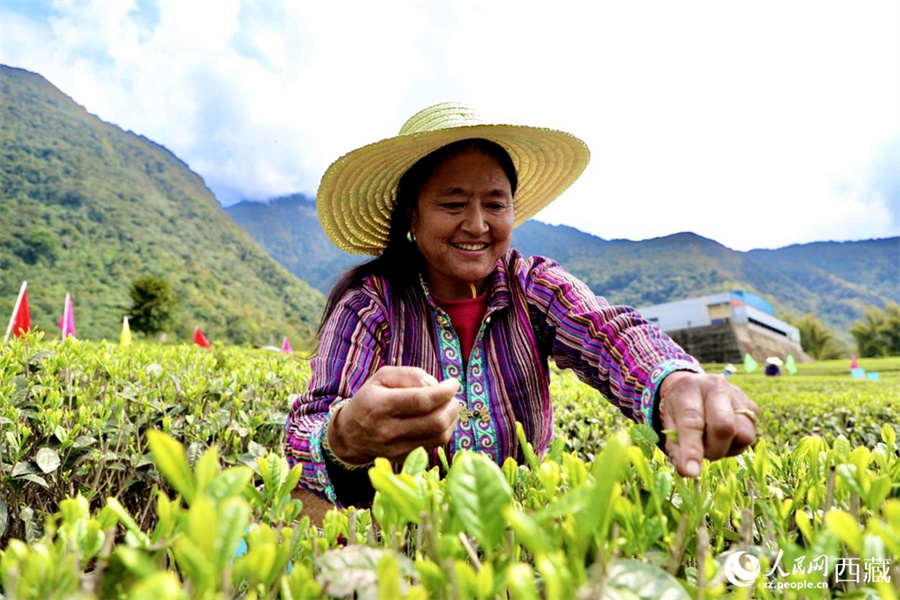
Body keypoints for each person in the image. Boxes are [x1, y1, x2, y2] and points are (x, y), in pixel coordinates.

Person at [285, 102, 758, 509]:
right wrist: (345, 435)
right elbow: (304, 430)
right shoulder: (370, 304)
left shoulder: (533, 287)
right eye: (452, 204)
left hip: (514, 525)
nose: (477, 225)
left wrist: (672, 381)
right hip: (402, 529)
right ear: (412, 213)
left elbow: (607, 332)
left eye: (495, 204)